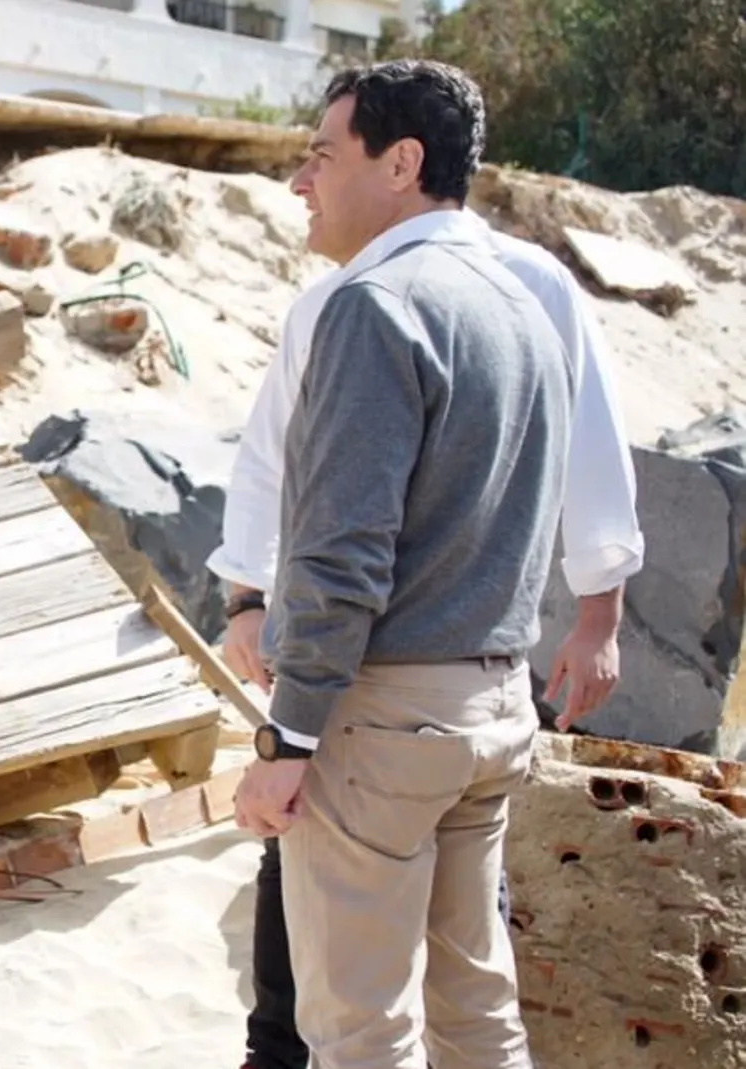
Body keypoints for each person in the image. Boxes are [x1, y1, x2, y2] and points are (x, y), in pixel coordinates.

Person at [209, 77, 645, 1069]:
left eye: (322, 153)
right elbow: (559, 492)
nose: (297, 181)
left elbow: (339, 554)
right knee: (478, 1017)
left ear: (400, 164)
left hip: (386, 721)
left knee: (359, 1035)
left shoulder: (373, 304)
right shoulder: (525, 304)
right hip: (492, 705)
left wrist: (288, 736)